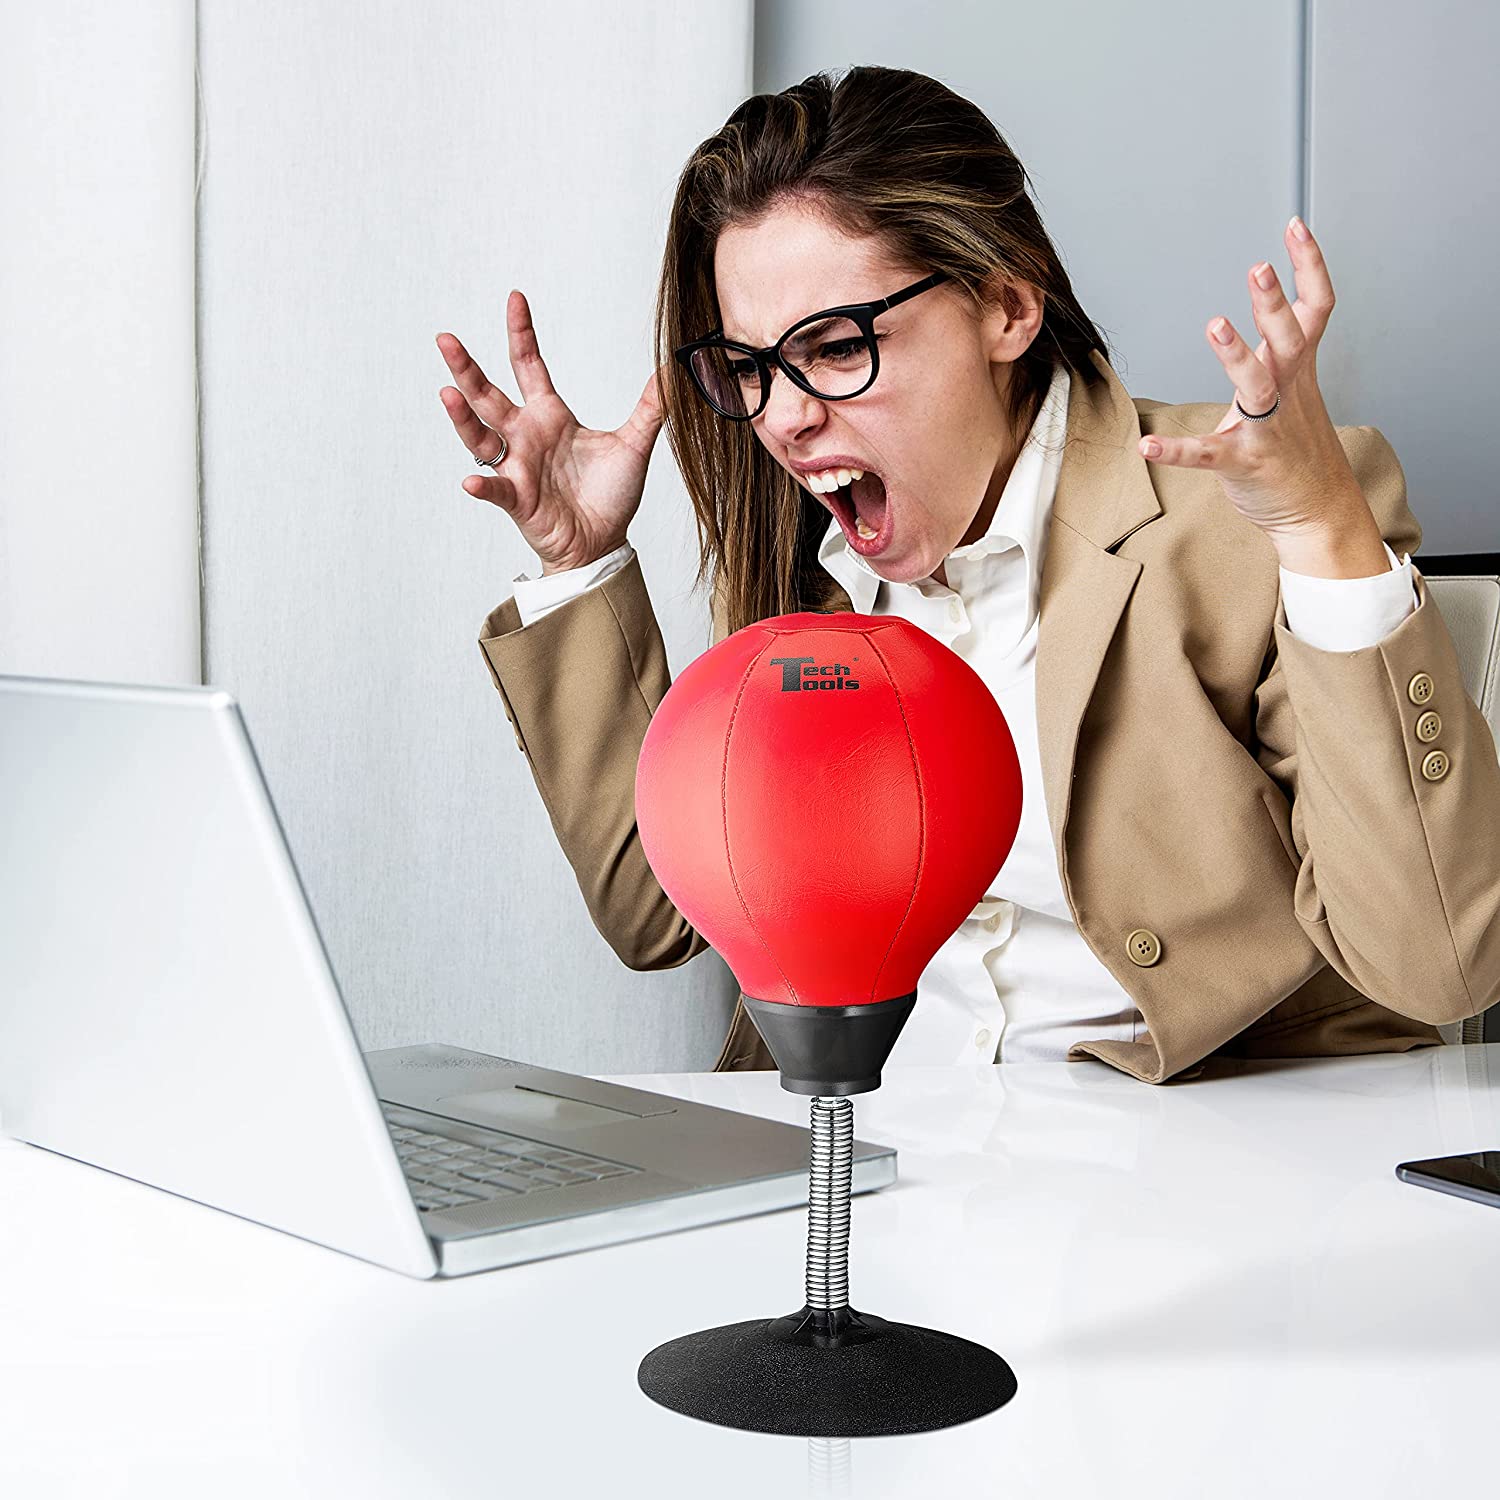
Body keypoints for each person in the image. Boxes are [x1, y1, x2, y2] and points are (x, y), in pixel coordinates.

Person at [438, 66, 1500, 1085]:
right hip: (881, 1165)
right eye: (752, 369)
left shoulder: (1235, 523)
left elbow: (1437, 967)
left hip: (1190, 1173)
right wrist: (577, 564)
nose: (787, 415)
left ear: (1005, 309)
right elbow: (661, 916)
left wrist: (1319, 530)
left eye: (834, 345)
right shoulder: (811, 587)